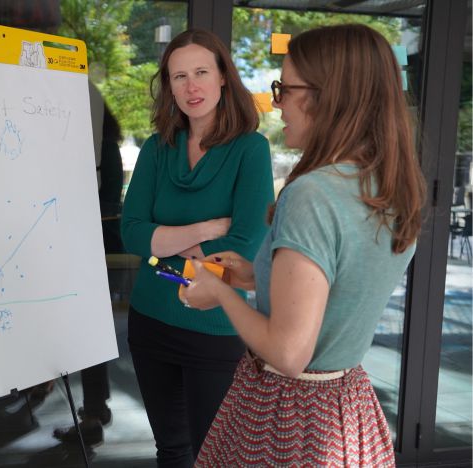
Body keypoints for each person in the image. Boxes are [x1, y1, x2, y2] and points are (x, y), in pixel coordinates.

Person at [182, 24, 425, 466]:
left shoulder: (312, 193)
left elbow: (290, 354)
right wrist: (255, 276)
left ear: (326, 96)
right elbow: (339, 282)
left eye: (284, 89)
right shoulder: (385, 185)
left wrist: (221, 292)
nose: (276, 105)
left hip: (287, 418)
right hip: (349, 407)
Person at [120, 29, 274, 466]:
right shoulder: (157, 148)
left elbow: (244, 245)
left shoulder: (250, 150)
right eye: (179, 76)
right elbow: (131, 233)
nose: (191, 87)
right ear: (168, 85)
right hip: (150, 323)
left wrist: (162, 250)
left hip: (215, 329)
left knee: (214, 455)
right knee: (170, 449)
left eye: (201, 72)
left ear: (223, 77)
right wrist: (206, 228)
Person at [53, 102, 123, 447]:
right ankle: (92, 410)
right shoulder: (94, 144)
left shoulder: (101, 149)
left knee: (87, 333)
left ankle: (93, 412)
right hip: (86, 250)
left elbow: (110, 205)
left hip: (96, 253)